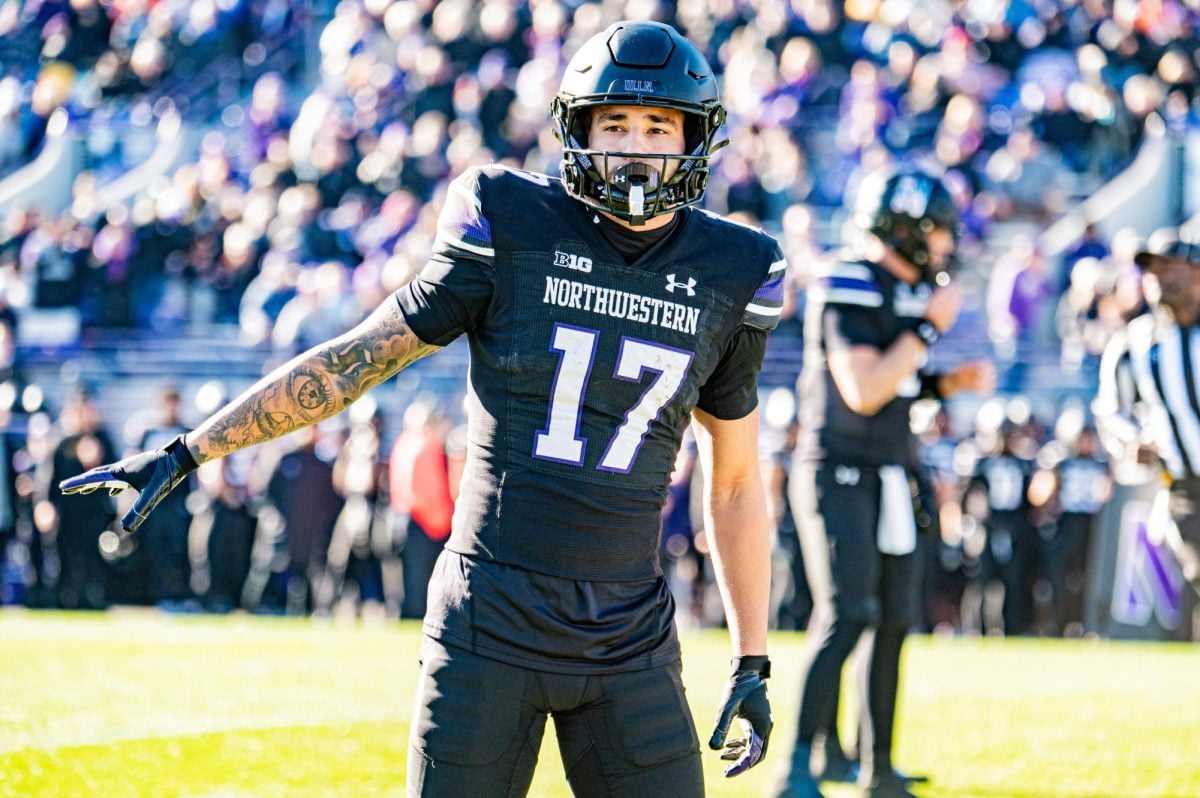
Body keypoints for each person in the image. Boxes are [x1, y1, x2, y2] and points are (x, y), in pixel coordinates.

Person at [61, 20, 780, 796]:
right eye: (615, 123)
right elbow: (354, 363)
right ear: (577, 129)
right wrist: (189, 449)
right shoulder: (510, 220)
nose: (635, 146)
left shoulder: (735, 269)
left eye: (657, 126)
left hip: (628, 637)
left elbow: (734, 481)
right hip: (488, 625)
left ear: (694, 138)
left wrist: (753, 654)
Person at [775, 168, 994, 798]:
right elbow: (863, 389)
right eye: (939, 231)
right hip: (837, 468)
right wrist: (926, 329)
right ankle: (796, 766)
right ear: (908, 230)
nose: (948, 245)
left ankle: (877, 767)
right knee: (847, 613)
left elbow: (896, 382)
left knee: (895, 617)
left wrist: (946, 383)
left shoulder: (904, 289)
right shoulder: (850, 278)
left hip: (891, 471)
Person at [1094, 226, 1200, 602]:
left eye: (1170, 267)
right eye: (1152, 270)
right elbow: (1109, 411)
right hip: (1187, 488)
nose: (1158, 278)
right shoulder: (1134, 343)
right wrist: (1131, 440)